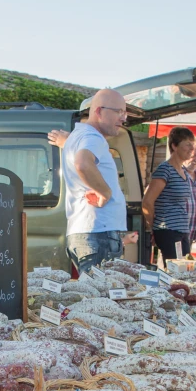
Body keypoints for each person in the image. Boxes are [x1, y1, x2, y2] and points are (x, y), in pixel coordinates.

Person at [51, 93, 135, 274]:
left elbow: (80, 156)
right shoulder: (93, 138)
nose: (123, 118)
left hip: (89, 233)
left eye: (124, 113)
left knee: (94, 296)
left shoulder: (81, 136)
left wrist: (67, 141)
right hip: (98, 234)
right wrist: (105, 192)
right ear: (99, 111)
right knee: (102, 298)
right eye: (118, 112)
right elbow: (82, 162)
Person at [143, 126, 196, 261]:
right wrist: (153, 227)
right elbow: (147, 201)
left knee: (185, 271)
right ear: (174, 146)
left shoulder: (184, 172)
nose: (192, 149)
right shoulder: (164, 170)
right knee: (175, 272)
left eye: (193, 145)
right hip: (168, 229)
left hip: (182, 230)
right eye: (188, 144)